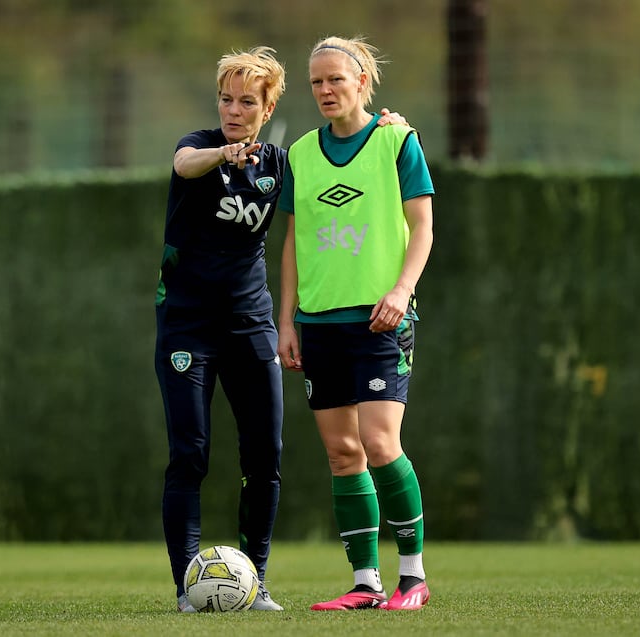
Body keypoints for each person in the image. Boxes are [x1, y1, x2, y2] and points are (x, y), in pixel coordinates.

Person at [155, 45, 407, 614]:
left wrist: (389, 125)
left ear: (268, 109)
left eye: (247, 102)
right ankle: (186, 587)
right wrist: (222, 153)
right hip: (187, 326)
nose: (234, 110)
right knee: (190, 454)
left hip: (251, 325)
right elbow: (184, 165)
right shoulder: (198, 145)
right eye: (226, 99)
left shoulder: (281, 163)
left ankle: (256, 582)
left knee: (265, 456)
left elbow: (338, 159)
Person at [276, 35, 435, 612]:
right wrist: (286, 319)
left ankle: (413, 577)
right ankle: (366, 582)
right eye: (316, 82)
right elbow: (293, 241)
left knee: (380, 443)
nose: (325, 89)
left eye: (335, 79)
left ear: (362, 82)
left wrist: (401, 290)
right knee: (343, 454)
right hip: (319, 325)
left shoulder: (397, 140)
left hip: (380, 322)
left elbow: (423, 227)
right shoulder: (300, 153)